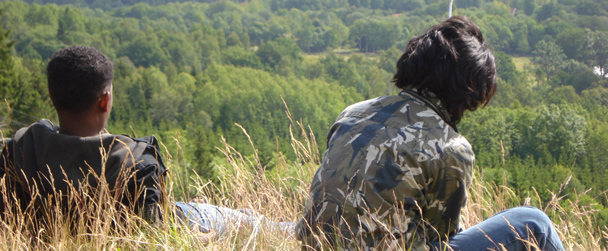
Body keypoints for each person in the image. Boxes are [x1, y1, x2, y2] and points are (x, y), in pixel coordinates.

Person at [295, 16, 564, 251]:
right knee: (533, 223)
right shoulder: (449, 147)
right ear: (469, 90)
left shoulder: (352, 113)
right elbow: (442, 234)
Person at [0, 45, 293, 238]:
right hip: (182, 220)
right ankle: (295, 230)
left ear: (53, 97)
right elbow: (158, 236)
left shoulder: (19, 151)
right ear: (105, 101)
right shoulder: (135, 162)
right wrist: (211, 238)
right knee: (249, 222)